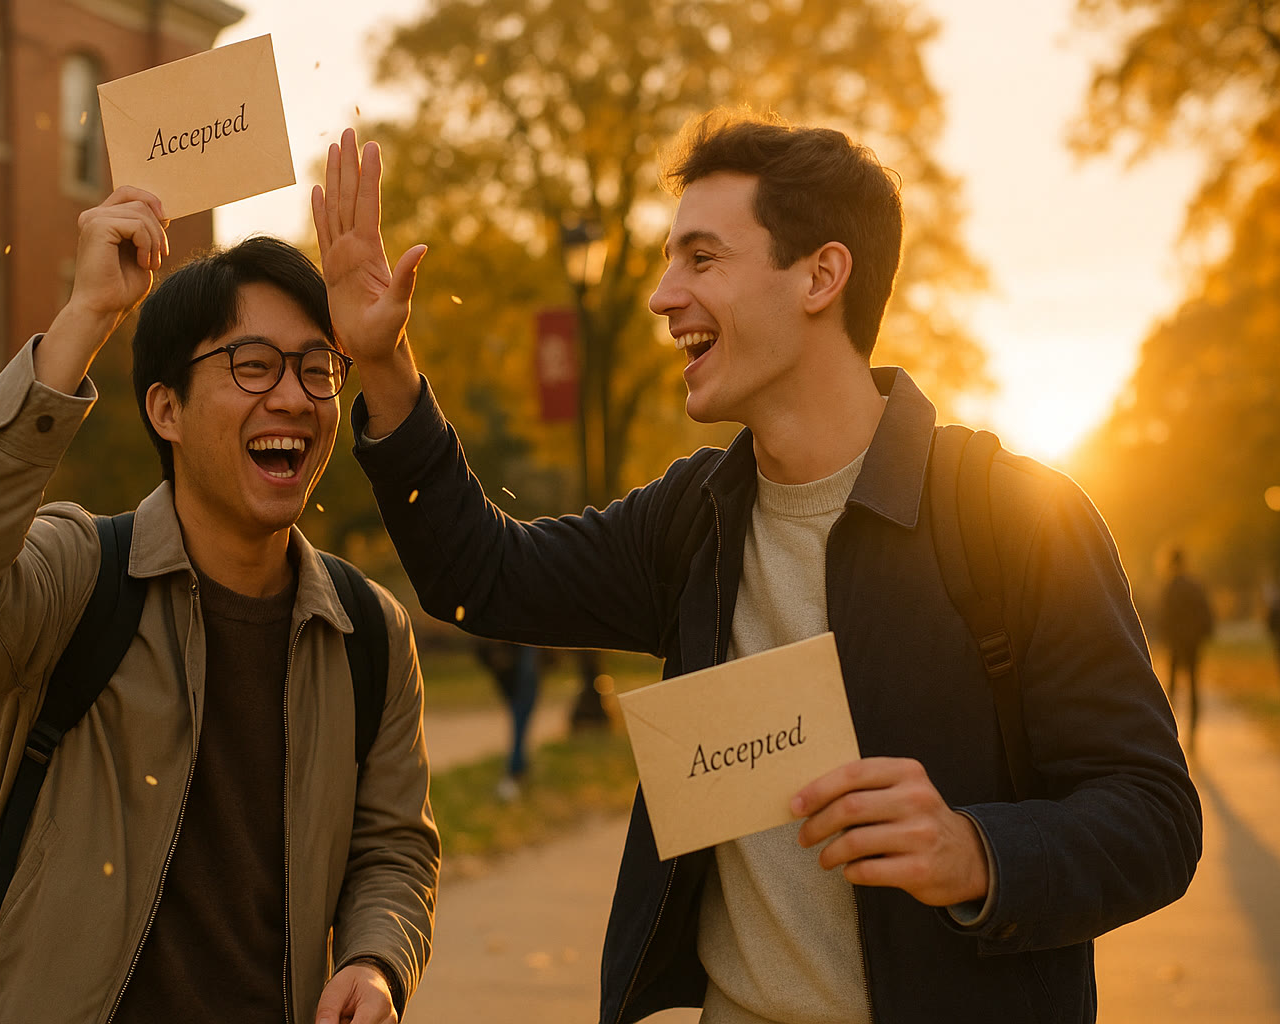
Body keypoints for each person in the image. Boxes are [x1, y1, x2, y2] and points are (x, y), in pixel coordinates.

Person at [318, 115, 1201, 1023]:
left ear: (821, 275)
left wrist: (978, 851)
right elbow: (484, 573)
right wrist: (384, 364)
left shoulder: (1012, 516)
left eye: (701, 260)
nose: (663, 296)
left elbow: (1156, 818)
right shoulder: (693, 517)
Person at [0, 188, 438, 1024]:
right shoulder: (78, 575)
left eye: (316, 367)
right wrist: (86, 314)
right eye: (253, 364)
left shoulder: (371, 634)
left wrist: (376, 959)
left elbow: (394, 847)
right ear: (165, 408)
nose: (293, 397)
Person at [473, 639, 543, 798]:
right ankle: (516, 767)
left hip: (516, 661)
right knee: (521, 714)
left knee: (521, 716)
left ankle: (519, 765)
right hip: (515, 657)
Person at [1160, 547, 1215, 739]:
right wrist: (1204, 635)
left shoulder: (1170, 587)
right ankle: (1193, 728)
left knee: (1172, 688)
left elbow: (1164, 618)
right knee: (1192, 685)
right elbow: (1206, 613)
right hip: (1192, 643)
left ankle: (1169, 731)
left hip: (1177, 644)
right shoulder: (1194, 585)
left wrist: (1165, 638)